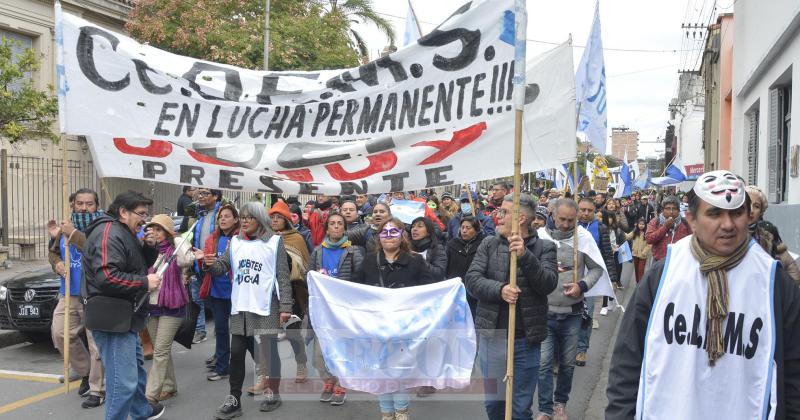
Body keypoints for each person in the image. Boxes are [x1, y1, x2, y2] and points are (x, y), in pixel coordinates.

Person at [606, 170, 800, 419]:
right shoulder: (664, 275)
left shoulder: (774, 283)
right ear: (692, 219)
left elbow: (794, 372)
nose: (728, 224)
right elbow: (628, 359)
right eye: (715, 213)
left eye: (736, 213)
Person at [465, 193, 558, 420]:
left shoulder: (545, 247)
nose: (498, 216)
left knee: (519, 408)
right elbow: (472, 280)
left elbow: (548, 284)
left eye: (504, 212)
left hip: (526, 341)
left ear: (522, 219)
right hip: (493, 338)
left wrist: (525, 256)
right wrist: (500, 290)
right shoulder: (489, 243)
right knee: (495, 405)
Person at [82, 191, 165, 420]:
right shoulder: (109, 232)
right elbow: (107, 276)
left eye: (146, 214)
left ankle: (141, 412)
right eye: (141, 214)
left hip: (125, 317)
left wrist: (148, 247)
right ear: (122, 212)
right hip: (112, 319)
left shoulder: (124, 232)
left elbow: (134, 265)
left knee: (136, 372)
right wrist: (144, 282)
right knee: (123, 383)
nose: (144, 220)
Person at [206, 202, 293, 418]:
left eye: (249, 217)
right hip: (241, 307)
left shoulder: (274, 242)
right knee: (236, 353)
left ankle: (273, 393)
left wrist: (286, 307)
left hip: (266, 306)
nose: (244, 221)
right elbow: (221, 267)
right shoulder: (235, 242)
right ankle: (234, 399)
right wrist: (207, 263)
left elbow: (283, 276)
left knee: (269, 353)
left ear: (260, 219)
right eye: (242, 217)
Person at [352, 217, 434, 420]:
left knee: (400, 370)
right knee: (381, 370)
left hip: (405, 327)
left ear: (401, 235)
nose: (389, 236)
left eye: (393, 232)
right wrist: (326, 280)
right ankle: (386, 414)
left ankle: (401, 412)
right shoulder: (370, 260)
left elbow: (429, 289)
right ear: (379, 237)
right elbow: (353, 287)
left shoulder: (416, 260)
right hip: (377, 326)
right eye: (384, 233)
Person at [535, 199, 607, 420]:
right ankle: (545, 409)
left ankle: (560, 405)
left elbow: (596, 269)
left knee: (567, 364)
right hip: (544, 312)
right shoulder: (539, 238)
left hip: (573, 314)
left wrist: (581, 285)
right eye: (562, 219)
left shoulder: (583, 238)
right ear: (553, 215)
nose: (566, 225)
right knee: (544, 364)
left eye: (571, 220)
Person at [48, 188, 106, 409]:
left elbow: (94, 250)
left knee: (95, 344)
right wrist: (56, 263)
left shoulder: (101, 226)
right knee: (60, 334)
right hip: (68, 292)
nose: (84, 207)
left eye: (89, 204)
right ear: (72, 205)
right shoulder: (65, 227)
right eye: (79, 203)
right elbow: (53, 252)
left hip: (92, 293)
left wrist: (72, 233)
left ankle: (97, 389)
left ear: (96, 206)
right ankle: (85, 371)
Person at [308, 212, 365, 407]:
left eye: (340, 223)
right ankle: (328, 381)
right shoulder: (317, 251)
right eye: (332, 223)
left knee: (343, 348)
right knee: (319, 352)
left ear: (344, 228)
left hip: (344, 310)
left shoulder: (354, 251)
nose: (336, 227)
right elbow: (310, 277)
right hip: (323, 310)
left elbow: (359, 280)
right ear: (327, 228)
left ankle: (341, 384)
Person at [143, 214, 195, 405]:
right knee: (160, 350)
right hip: (153, 306)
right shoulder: (157, 252)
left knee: (161, 352)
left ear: (167, 231)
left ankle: (150, 395)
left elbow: (186, 261)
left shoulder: (177, 249)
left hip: (172, 308)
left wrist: (177, 237)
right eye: (153, 229)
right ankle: (169, 386)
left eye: (159, 229)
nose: (155, 233)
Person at [269, 200, 310, 384]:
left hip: (292, 290)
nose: (275, 221)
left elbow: (304, 264)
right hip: (269, 291)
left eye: (279, 218)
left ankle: (301, 363)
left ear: (287, 220)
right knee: (266, 334)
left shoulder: (297, 238)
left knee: (293, 331)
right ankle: (267, 372)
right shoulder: (265, 239)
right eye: (272, 218)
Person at [199, 203, 239, 381]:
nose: (222, 219)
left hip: (237, 293)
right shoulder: (212, 239)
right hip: (216, 291)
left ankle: (261, 368)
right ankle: (223, 367)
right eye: (220, 217)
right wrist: (204, 262)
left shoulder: (241, 239)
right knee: (221, 330)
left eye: (227, 216)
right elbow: (205, 268)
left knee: (242, 332)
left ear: (236, 220)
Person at [575, 197, 618, 367]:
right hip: (570, 276)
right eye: (582, 210)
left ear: (594, 212)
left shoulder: (600, 228)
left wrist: (613, 278)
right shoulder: (570, 225)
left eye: (589, 210)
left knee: (586, 314)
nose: (585, 213)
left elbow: (607, 254)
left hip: (590, 279)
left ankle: (581, 350)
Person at [746, 185, 800, 283]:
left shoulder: (767, 237)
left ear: (761, 213)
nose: (751, 210)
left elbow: (793, 273)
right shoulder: (728, 234)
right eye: (747, 204)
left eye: (756, 206)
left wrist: (777, 291)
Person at [191, 188, 223, 344]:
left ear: (216, 196)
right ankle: (200, 330)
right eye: (200, 193)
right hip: (199, 264)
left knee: (216, 299)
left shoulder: (222, 215)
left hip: (215, 264)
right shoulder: (200, 214)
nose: (201, 196)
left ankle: (220, 329)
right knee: (197, 298)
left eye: (205, 193)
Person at [445, 216, 485, 317]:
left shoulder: (484, 245)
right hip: (456, 290)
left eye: (468, 228)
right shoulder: (452, 244)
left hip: (475, 292)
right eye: (462, 227)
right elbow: (446, 267)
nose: (464, 230)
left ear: (476, 230)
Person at [645, 195, 692, 262]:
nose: (671, 212)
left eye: (674, 208)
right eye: (668, 208)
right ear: (662, 210)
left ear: (678, 210)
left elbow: (692, 242)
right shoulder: (655, 221)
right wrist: (665, 227)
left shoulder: (685, 223)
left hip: (680, 262)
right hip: (659, 262)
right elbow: (649, 239)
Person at [409, 216, 448, 281]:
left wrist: (421, 261)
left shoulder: (437, 248)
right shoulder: (406, 247)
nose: (414, 229)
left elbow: (439, 274)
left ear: (428, 232)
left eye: (420, 226)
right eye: (413, 226)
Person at [625, 218, 651, 284]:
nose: (641, 225)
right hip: (635, 254)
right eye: (640, 224)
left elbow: (649, 244)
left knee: (640, 270)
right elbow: (628, 236)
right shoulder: (635, 232)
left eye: (643, 224)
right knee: (636, 270)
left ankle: (640, 284)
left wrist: (644, 252)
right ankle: (638, 283)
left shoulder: (647, 233)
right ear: (637, 225)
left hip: (643, 255)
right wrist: (620, 231)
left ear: (645, 225)